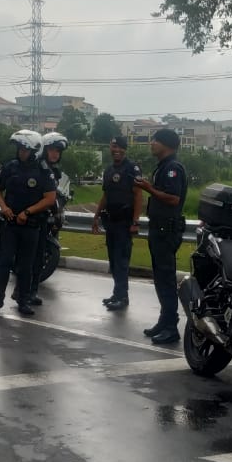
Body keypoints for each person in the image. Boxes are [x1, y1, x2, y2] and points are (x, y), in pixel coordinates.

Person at [0, 130, 55, 318]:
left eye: (24, 149)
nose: (21, 152)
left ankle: (23, 300)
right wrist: (3, 207)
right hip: (9, 224)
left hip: (31, 226)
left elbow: (50, 198)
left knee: (26, 266)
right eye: (19, 149)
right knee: (3, 262)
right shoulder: (10, 167)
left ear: (34, 150)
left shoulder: (43, 171)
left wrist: (28, 212)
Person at [137, 128, 188, 345]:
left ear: (166, 144)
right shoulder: (163, 167)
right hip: (158, 228)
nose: (152, 144)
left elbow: (173, 199)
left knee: (166, 278)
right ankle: (164, 320)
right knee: (159, 277)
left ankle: (171, 327)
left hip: (166, 229)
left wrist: (148, 188)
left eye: (155, 141)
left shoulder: (172, 169)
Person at [90, 136, 143, 311]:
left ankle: (123, 297)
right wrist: (96, 216)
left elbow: (138, 196)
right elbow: (105, 196)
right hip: (111, 221)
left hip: (124, 222)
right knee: (113, 261)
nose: (117, 150)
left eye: (120, 147)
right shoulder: (109, 170)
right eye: (114, 147)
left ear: (125, 149)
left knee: (121, 261)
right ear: (110, 148)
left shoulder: (132, 168)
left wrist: (135, 222)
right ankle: (117, 293)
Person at [19, 131, 68, 307]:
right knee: (28, 259)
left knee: (38, 259)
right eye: (52, 150)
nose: (55, 154)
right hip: (32, 218)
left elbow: (59, 191)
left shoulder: (55, 171)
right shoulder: (37, 167)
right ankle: (21, 292)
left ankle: (32, 292)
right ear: (44, 150)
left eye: (58, 151)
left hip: (45, 219)